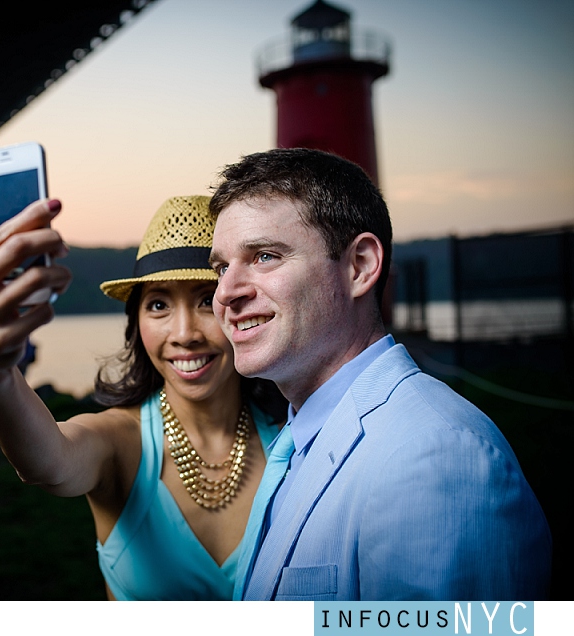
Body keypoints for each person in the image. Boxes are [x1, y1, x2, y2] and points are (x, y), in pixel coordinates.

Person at [207, 148, 552, 601]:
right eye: (221, 267)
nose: (225, 293)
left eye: (265, 256)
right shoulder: (299, 436)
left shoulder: (435, 456)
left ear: (360, 266)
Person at [0, 193, 287, 600]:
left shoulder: (292, 440)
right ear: (136, 324)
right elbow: (47, 462)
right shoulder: (121, 442)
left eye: (206, 300)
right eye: (158, 304)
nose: (185, 333)